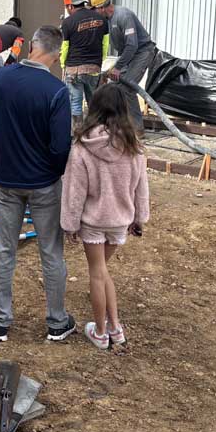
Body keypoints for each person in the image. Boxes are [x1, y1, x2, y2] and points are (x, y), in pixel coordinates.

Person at [0, 26, 77, 343]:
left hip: (6, 183)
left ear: (32, 46)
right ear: (57, 54)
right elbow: (61, 146)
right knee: (51, 253)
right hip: (44, 184)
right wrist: (53, 174)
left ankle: (0, 323)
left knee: (4, 251)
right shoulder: (57, 91)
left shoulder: (3, 77)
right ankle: (57, 322)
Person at [61, 84, 149, 350]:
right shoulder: (134, 147)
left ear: (94, 107)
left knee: (97, 273)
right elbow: (141, 187)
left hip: (93, 221)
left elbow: (75, 191)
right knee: (102, 270)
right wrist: (139, 218)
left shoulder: (82, 147)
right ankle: (115, 328)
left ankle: (100, 332)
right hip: (120, 220)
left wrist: (69, 224)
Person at [90, 0, 156, 130]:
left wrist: (118, 67)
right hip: (128, 54)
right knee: (113, 85)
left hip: (142, 52)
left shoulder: (123, 15)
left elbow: (132, 45)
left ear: (101, 8)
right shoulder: (107, 19)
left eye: (94, 10)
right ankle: (118, 123)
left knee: (128, 87)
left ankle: (137, 129)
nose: (94, 13)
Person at [61, 0, 109, 129]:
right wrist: (99, 62)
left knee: (75, 104)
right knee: (93, 103)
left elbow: (65, 47)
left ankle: (78, 134)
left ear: (70, 6)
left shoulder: (68, 22)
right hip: (94, 69)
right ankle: (94, 133)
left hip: (74, 70)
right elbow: (105, 45)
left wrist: (63, 64)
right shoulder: (102, 20)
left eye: (67, 7)